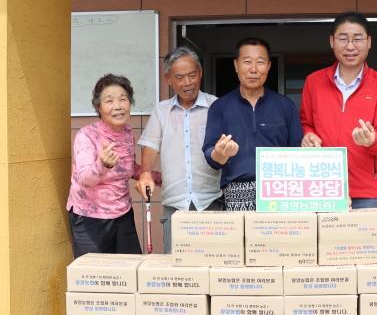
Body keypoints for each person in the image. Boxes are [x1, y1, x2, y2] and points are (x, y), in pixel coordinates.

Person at [300, 11, 377, 208]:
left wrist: (372, 141)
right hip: (321, 185)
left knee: (364, 240)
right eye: (343, 39)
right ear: (331, 41)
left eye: (358, 39)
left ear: (369, 42)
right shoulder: (314, 82)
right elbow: (305, 123)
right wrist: (307, 135)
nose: (350, 46)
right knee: (324, 240)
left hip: (366, 189)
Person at [136, 47, 222, 254]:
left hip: (211, 201)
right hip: (175, 206)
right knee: (176, 268)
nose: (187, 83)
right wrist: (145, 173)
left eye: (192, 75)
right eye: (180, 77)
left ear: (200, 73)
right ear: (168, 79)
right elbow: (150, 146)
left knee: (215, 266)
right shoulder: (161, 110)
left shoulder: (216, 106)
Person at [202, 37, 303, 211]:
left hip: (280, 194)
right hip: (236, 194)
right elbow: (211, 156)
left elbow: (298, 153)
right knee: (239, 240)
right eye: (247, 62)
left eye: (260, 62)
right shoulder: (220, 107)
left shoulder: (285, 106)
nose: (253, 69)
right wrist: (221, 153)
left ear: (269, 66)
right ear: (236, 65)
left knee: (281, 239)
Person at [66, 74, 160, 258]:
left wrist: (155, 177)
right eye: (109, 101)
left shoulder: (126, 132)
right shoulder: (86, 136)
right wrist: (102, 164)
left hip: (122, 213)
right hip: (90, 218)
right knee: (97, 277)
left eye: (123, 99)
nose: (117, 106)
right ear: (98, 107)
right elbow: (85, 178)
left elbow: (127, 167)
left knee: (129, 271)